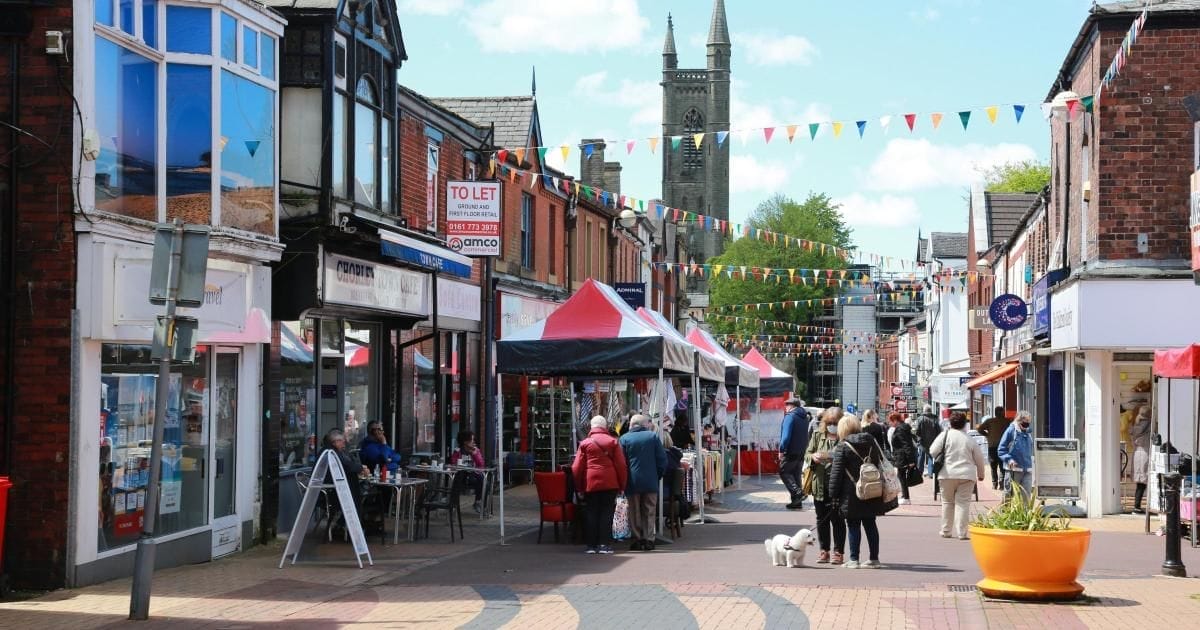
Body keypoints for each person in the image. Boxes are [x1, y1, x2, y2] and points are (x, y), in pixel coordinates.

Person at [828, 414, 887, 569]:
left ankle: (854, 559)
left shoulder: (843, 446)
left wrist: (833, 494)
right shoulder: (871, 442)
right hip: (871, 488)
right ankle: (874, 558)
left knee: (853, 524)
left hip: (850, 492)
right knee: (870, 524)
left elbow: (836, 473)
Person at [571, 415, 628, 555]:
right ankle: (604, 544)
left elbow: (576, 468)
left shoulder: (584, 443)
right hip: (610, 482)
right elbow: (621, 466)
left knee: (591, 512)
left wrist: (579, 487)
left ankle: (591, 545)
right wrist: (622, 486)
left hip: (590, 482)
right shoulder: (613, 442)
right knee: (607, 513)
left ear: (592, 427)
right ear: (604, 427)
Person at [929, 412, 987, 539]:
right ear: (964, 424)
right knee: (963, 503)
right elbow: (979, 458)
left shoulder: (944, 435)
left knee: (947, 502)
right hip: (967, 475)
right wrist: (981, 474)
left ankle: (946, 530)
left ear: (950, 423)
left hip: (946, 474)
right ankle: (962, 532)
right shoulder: (969, 439)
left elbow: (932, 451)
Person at [803, 407, 847, 565]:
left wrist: (829, 456)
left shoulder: (845, 437)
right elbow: (807, 454)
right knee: (821, 519)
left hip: (838, 485)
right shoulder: (817, 435)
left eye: (835, 423)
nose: (832, 425)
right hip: (819, 484)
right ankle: (824, 551)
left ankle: (838, 552)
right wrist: (812, 457)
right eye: (829, 422)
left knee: (838, 520)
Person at [619, 414, 667, 551]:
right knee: (649, 510)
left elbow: (621, 463)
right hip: (651, 480)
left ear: (632, 424)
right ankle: (649, 539)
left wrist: (624, 479)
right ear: (644, 424)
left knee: (634, 511)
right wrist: (657, 475)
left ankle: (637, 538)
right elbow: (662, 460)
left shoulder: (624, 439)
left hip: (632, 481)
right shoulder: (652, 437)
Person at [319, 428, 368, 533]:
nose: (344, 442)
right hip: (330, 493)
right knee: (358, 493)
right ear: (335, 442)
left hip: (333, 489)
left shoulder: (333, 450)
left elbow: (348, 464)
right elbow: (346, 465)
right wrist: (361, 468)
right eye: (342, 440)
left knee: (358, 490)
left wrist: (360, 467)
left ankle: (344, 525)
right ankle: (352, 529)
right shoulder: (331, 452)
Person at [777, 395, 811, 510]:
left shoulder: (790, 417)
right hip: (801, 451)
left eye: (787, 404)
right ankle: (797, 502)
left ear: (792, 406)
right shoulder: (804, 417)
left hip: (790, 450)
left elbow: (785, 437)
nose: (785, 407)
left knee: (784, 472)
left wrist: (781, 450)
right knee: (796, 475)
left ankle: (798, 493)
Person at [997, 410, 1035, 501]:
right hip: (1013, 470)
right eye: (1025, 423)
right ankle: (1006, 514)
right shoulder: (1011, 431)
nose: (1027, 425)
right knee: (1009, 495)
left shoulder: (1028, 433)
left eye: (1028, 423)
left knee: (1026, 496)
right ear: (1018, 421)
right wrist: (1009, 459)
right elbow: (1001, 450)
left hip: (1027, 469)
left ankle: (1025, 514)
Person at [886, 411, 919, 505]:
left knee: (901, 476)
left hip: (902, 456)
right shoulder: (903, 427)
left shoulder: (900, 429)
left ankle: (906, 497)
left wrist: (911, 460)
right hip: (902, 456)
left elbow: (906, 445)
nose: (889, 423)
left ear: (895, 420)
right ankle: (905, 496)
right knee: (901, 476)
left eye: (890, 421)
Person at [976, 406, 1010, 490]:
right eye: (1003, 412)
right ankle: (1002, 484)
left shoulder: (990, 421)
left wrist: (987, 435)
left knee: (993, 466)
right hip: (1003, 447)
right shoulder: (1007, 422)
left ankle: (994, 484)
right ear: (1001, 413)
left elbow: (979, 429)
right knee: (1002, 466)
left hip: (992, 446)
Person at [455, 430, 487, 514]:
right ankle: (453, 502)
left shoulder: (476, 450)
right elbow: (453, 463)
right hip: (461, 475)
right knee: (482, 480)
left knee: (484, 480)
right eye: (471, 440)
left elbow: (481, 464)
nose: (473, 442)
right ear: (465, 442)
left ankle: (478, 502)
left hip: (473, 475)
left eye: (473, 440)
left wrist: (474, 454)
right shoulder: (458, 451)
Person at [1130, 407, 1152, 514]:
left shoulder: (1135, 425)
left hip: (1136, 454)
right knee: (1145, 481)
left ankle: (1136, 506)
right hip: (1145, 453)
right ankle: (1138, 506)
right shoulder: (1150, 425)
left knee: (1140, 482)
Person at [915, 405, 942, 478]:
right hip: (933, 442)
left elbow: (917, 431)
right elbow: (939, 430)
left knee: (921, 457)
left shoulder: (920, 419)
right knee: (931, 457)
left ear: (924, 410)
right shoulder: (935, 418)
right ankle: (930, 473)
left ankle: (919, 472)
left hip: (922, 442)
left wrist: (918, 439)